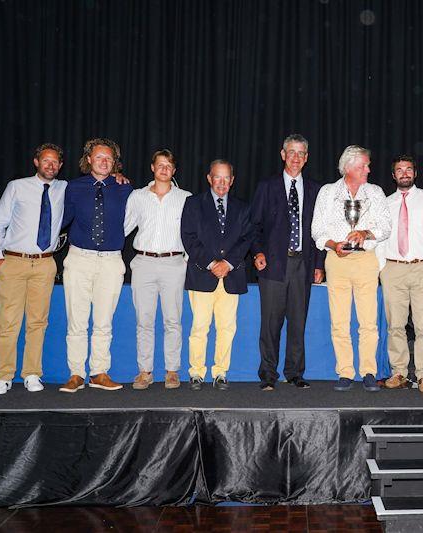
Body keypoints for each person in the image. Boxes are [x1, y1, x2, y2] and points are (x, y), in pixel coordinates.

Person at [0, 143, 66, 395]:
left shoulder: (65, 189)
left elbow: (95, 184)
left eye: (55, 162)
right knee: (8, 322)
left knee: (37, 322)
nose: (50, 165)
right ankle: (4, 375)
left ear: (60, 166)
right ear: (36, 162)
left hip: (45, 263)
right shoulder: (17, 187)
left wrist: (118, 175)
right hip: (14, 262)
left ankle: (32, 373)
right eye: (46, 161)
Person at [311, 145, 391, 392]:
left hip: (366, 260)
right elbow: (317, 230)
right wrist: (335, 245)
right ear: (348, 168)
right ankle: (345, 372)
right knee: (339, 320)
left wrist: (365, 232)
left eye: (367, 165)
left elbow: (386, 227)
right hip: (337, 261)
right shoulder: (327, 192)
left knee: (368, 321)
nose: (368, 169)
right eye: (363, 166)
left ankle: (368, 371)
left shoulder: (375, 192)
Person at [251, 134, 325, 391]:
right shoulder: (266, 187)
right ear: (283, 155)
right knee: (270, 323)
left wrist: (319, 264)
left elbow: (319, 231)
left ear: (306, 158)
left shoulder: (316, 190)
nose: (295, 158)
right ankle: (268, 375)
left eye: (300, 153)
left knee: (297, 322)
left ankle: (294, 373)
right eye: (290, 152)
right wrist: (258, 252)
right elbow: (255, 225)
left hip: (302, 265)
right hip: (273, 265)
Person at [59, 138, 133, 393]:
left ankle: (99, 372)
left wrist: (120, 177)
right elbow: (61, 220)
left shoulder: (124, 188)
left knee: (104, 322)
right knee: (76, 321)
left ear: (115, 163)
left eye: (109, 159)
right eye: (99, 157)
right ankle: (76, 373)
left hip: (111, 261)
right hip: (79, 259)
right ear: (88, 159)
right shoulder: (73, 187)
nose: (104, 162)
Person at [377, 155, 423, 394]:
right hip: (392, 268)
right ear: (393, 175)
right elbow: (378, 239)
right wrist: (381, 270)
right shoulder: (384, 204)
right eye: (399, 170)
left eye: (408, 169)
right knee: (395, 325)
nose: (404, 173)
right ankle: (398, 372)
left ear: (415, 173)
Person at [181, 159, 254, 391]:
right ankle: (196, 372)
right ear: (209, 178)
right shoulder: (193, 204)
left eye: (226, 178)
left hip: (231, 276)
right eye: (217, 177)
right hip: (202, 274)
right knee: (200, 326)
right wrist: (212, 263)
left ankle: (221, 372)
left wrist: (229, 263)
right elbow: (189, 237)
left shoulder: (243, 208)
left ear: (232, 181)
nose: (221, 183)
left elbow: (247, 239)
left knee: (226, 327)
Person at [124, 149, 192, 390]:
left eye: (169, 165)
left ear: (174, 171)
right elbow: (122, 227)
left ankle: (172, 371)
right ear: (152, 167)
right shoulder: (137, 197)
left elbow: (192, 233)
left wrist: (186, 259)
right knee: (144, 320)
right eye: (160, 164)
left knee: (173, 320)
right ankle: (145, 371)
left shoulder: (186, 198)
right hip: (143, 263)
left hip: (174, 264)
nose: (164, 169)